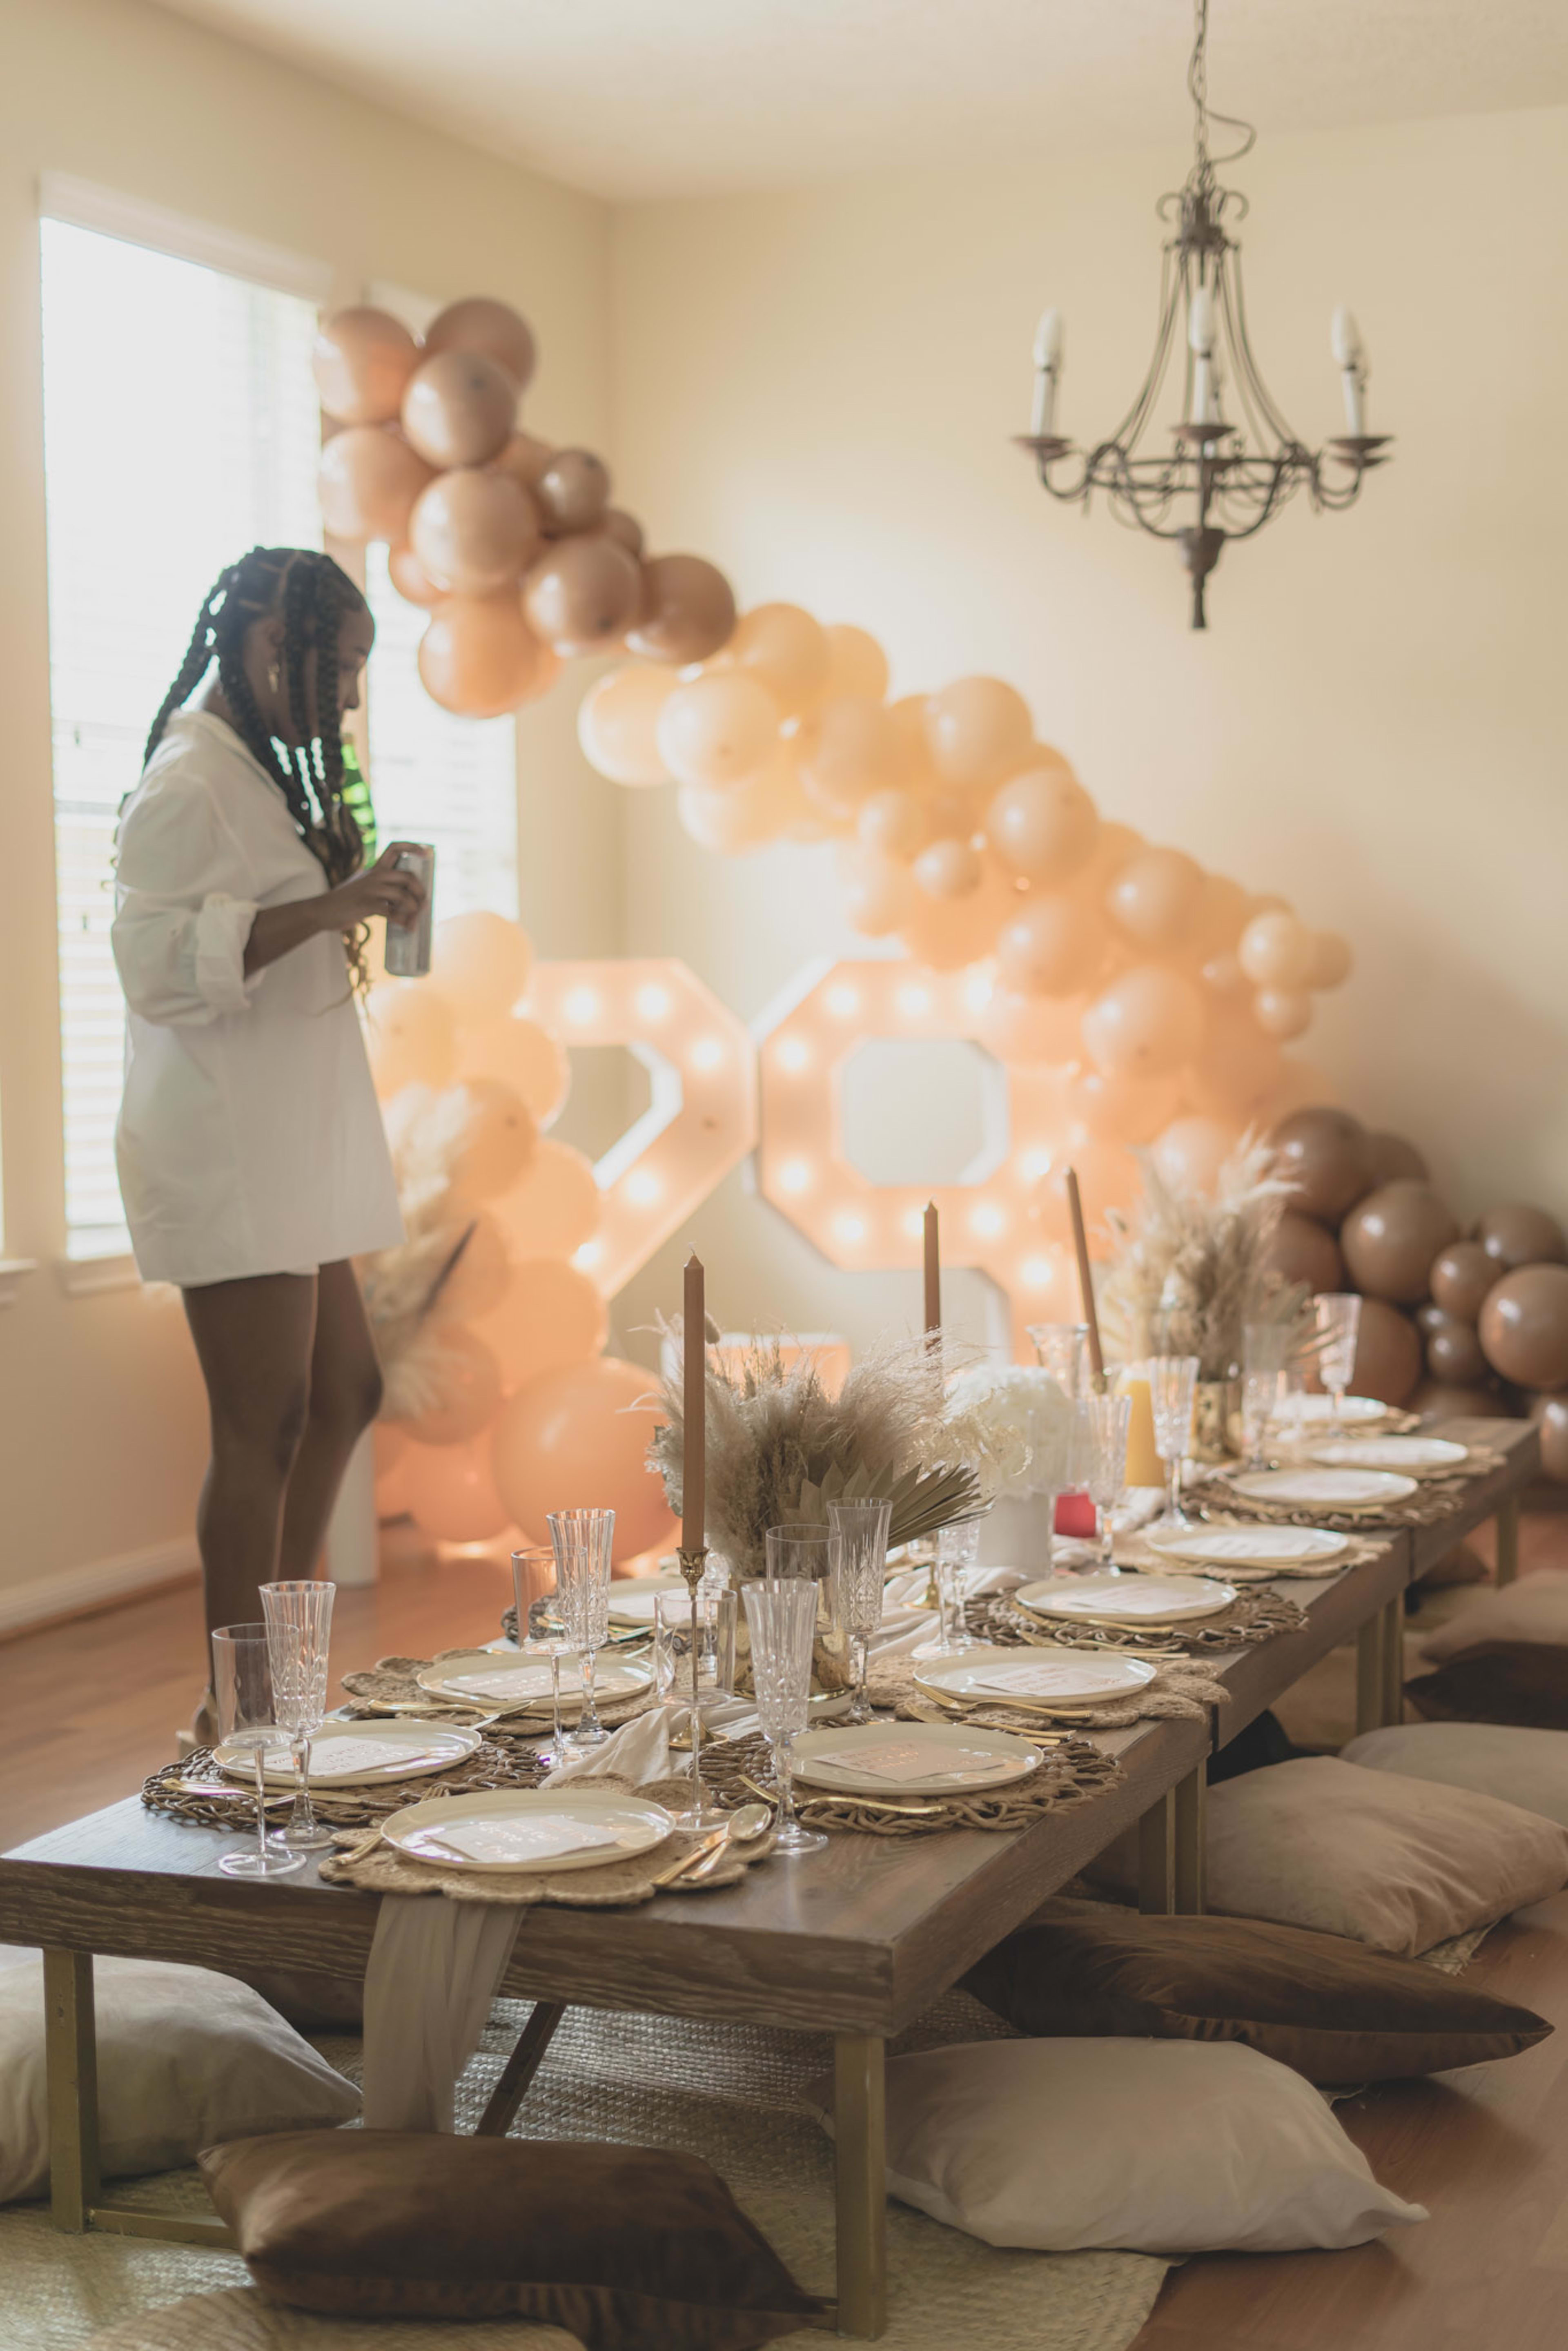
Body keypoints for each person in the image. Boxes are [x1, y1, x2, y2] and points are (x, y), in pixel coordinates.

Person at [111, 546, 425, 1736]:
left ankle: (280, 1662)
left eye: (356, 673)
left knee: (347, 1388)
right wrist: (336, 907)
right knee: (265, 1424)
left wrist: (351, 889)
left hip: (293, 1143)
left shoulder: (257, 771)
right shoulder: (189, 777)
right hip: (229, 1147)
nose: (347, 697)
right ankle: (242, 1708)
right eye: (338, 667)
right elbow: (151, 967)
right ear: (260, 641)